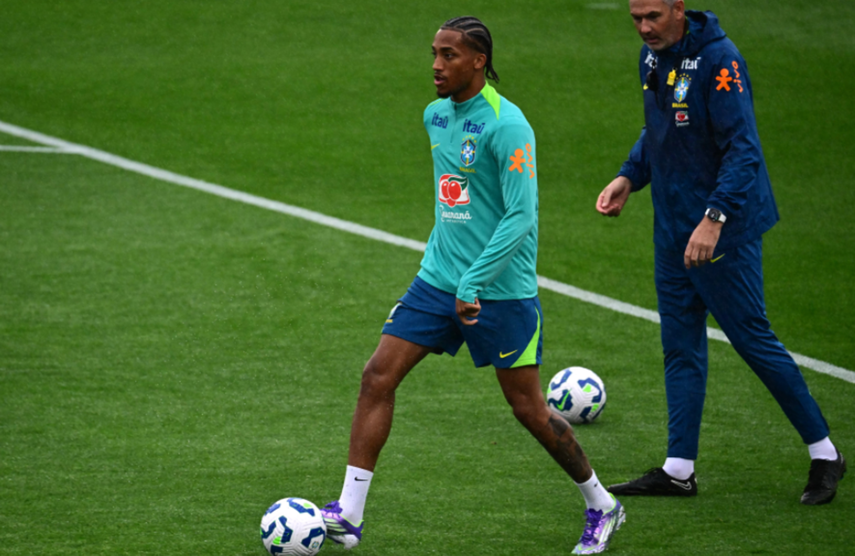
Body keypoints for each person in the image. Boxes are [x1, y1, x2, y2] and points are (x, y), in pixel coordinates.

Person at [321, 16, 624, 555]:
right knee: (376, 377)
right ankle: (349, 514)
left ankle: (602, 504)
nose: (437, 66)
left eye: (449, 55)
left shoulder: (509, 126)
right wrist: (451, 273)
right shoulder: (436, 116)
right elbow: (456, 198)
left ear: (479, 61)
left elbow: (520, 215)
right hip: (437, 280)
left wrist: (475, 281)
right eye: (434, 54)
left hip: (498, 293)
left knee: (529, 409)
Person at [597, 0, 845, 505]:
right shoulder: (651, 59)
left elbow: (742, 148)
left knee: (753, 340)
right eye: (635, 19)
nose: (643, 29)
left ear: (678, 9)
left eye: (653, 18)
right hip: (672, 228)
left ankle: (826, 454)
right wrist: (630, 174)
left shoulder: (720, 60)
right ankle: (678, 468)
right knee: (680, 344)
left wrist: (714, 218)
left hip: (719, 231)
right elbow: (660, 129)